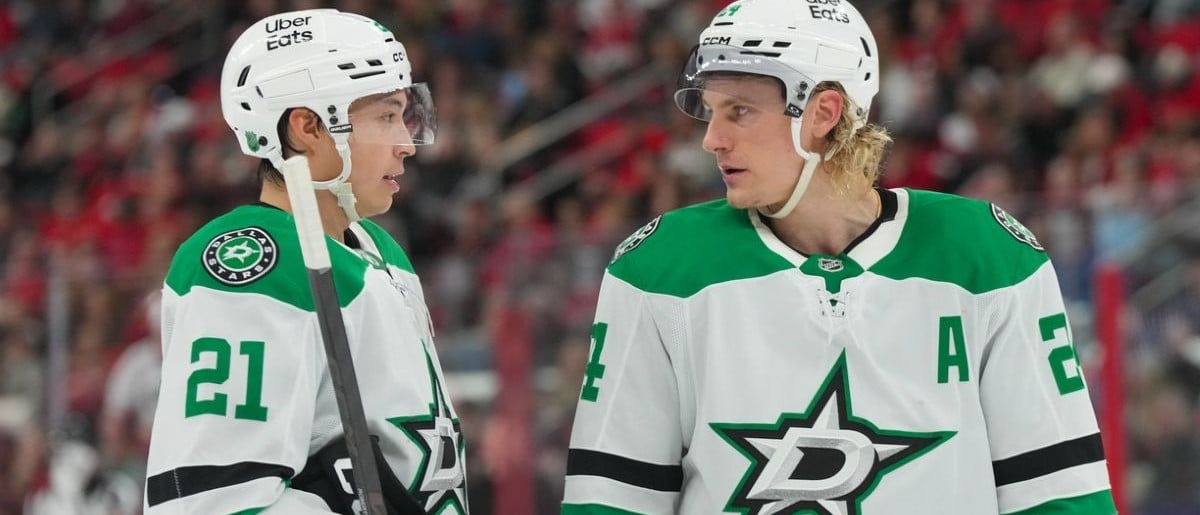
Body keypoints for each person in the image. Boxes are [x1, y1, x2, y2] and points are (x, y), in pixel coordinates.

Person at [561, 1, 1117, 514]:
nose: (712, 139)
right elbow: (612, 501)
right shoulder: (659, 270)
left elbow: (1061, 496)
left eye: (740, 111)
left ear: (824, 111)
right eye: (710, 111)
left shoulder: (989, 259)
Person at [144, 9, 467, 514]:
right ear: (308, 127)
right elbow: (215, 502)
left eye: (406, 115)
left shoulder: (382, 251)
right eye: (385, 116)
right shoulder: (252, 261)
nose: (405, 144)